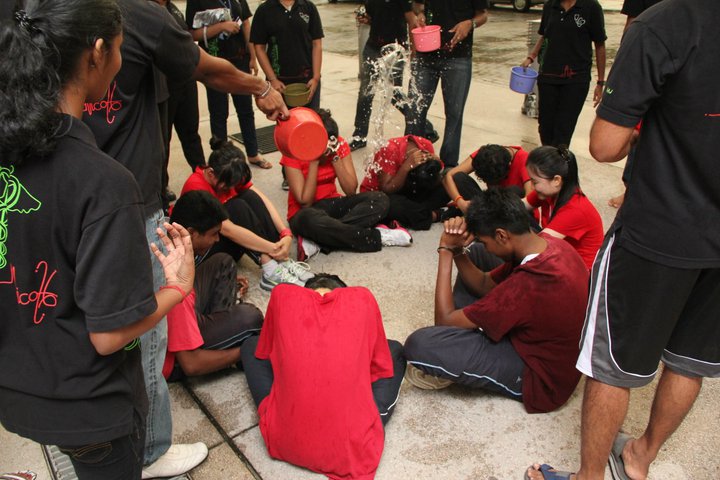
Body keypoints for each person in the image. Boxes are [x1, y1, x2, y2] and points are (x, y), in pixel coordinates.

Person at [78, 0, 287, 474]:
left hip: (70, 200)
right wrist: (262, 87)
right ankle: (150, 449)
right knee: (148, 329)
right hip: (128, 205)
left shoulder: (43, 15)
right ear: (101, 52)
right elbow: (207, 68)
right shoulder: (136, 17)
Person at [0, 2, 201, 477]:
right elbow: (109, 335)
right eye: (120, 48)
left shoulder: (13, 148)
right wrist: (177, 287)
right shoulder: (104, 182)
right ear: (96, 53)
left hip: (18, 389)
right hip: (89, 410)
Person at [527, 1, 720, 479]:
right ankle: (639, 457)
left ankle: (590, 476)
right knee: (689, 362)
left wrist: (651, 129)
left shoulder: (666, 23)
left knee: (611, 365)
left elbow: (604, 145)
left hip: (659, 230)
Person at [403, 189, 589, 414]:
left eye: (486, 240)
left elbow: (443, 321)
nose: (485, 245)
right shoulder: (549, 244)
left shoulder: (527, 284)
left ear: (501, 235)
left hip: (541, 379)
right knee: (477, 253)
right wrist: (459, 251)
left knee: (420, 345)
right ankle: (470, 326)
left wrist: (446, 251)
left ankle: (465, 335)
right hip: (548, 340)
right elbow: (484, 283)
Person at [241, 275, 406, 479]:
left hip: (282, 440)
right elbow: (377, 367)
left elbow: (266, 349)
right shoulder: (363, 300)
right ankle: (365, 421)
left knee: (251, 345)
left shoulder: (283, 297)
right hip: (351, 449)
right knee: (394, 350)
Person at [282, 109, 413, 260]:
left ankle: (321, 239)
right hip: (304, 213)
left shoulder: (339, 144)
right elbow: (305, 202)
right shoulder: (293, 150)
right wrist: (314, 161)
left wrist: (335, 157)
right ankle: (377, 237)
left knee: (380, 199)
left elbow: (351, 190)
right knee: (310, 220)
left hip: (333, 204)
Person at [179, 143, 313, 290]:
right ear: (210, 173)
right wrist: (273, 248)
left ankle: (281, 261)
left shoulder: (227, 175)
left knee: (249, 196)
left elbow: (261, 199)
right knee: (236, 207)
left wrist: (285, 234)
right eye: (226, 186)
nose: (230, 189)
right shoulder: (196, 186)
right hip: (202, 255)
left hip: (227, 243)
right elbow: (228, 230)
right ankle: (270, 267)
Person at [163, 191, 263, 381]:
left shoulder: (169, 241)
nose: (217, 239)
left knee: (223, 262)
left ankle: (220, 338)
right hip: (174, 359)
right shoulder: (175, 282)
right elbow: (191, 365)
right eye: (213, 234)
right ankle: (218, 350)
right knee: (251, 318)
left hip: (182, 315)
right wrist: (242, 351)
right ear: (191, 233)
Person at [186, 0, 271, 169]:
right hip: (213, 64)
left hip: (239, 59)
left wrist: (252, 56)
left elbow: (246, 24)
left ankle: (253, 153)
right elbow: (191, 34)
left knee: (245, 110)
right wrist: (221, 27)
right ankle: (222, 158)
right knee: (218, 111)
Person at [404, 0, 489, 167]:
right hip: (425, 55)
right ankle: (412, 160)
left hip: (458, 57)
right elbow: (417, 5)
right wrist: (420, 14)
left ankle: (448, 165)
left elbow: (483, 15)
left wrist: (469, 23)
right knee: (415, 109)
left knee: (454, 113)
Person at [348, 0, 437, 151]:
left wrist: (413, 52)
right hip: (373, 47)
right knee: (365, 93)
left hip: (395, 50)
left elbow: (412, 21)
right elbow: (374, 18)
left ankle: (424, 126)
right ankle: (359, 136)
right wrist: (365, 19)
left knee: (394, 94)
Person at [521, 0, 606, 148]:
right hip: (548, 77)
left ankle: (558, 160)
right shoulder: (550, 6)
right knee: (545, 129)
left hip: (576, 80)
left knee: (563, 133)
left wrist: (600, 82)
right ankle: (548, 159)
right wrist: (531, 56)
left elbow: (600, 45)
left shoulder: (591, 7)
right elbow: (544, 35)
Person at [606, 0, 663, 209]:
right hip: (647, 65)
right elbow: (631, 25)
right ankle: (630, 187)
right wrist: (625, 66)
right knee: (637, 132)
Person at [521, 146, 603, 270]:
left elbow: (536, 248)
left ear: (556, 180)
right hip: (561, 258)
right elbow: (518, 206)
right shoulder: (549, 192)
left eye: (535, 182)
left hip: (576, 273)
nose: (531, 187)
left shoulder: (575, 210)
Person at [360, 134, 449, 230]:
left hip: (410, 192)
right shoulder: (390, 149)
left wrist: (437, 160)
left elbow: (434, 178)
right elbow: (386, 189)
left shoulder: (426, 145)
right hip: (383, 195)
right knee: (390, 205)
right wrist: (407, 166)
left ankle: (411, 214)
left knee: (450, 184)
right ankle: (434, 215)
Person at [251, 0, 324, 111]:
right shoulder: (264, 10)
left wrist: (316, 78)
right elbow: (259, 48)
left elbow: (317, 44)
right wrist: (272, 79)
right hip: (279, 83)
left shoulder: (308, 7)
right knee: (284, 119)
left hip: (307, 81)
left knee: (310, 118)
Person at [444, 144, 533, 214]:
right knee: (458, 177)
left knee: (514, 191)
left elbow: (530, 198)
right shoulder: (485, 155)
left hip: (513, 210)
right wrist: (460, 201)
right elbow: (449, 176)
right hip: (489, 203)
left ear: (509, 166)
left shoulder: (524, 159)